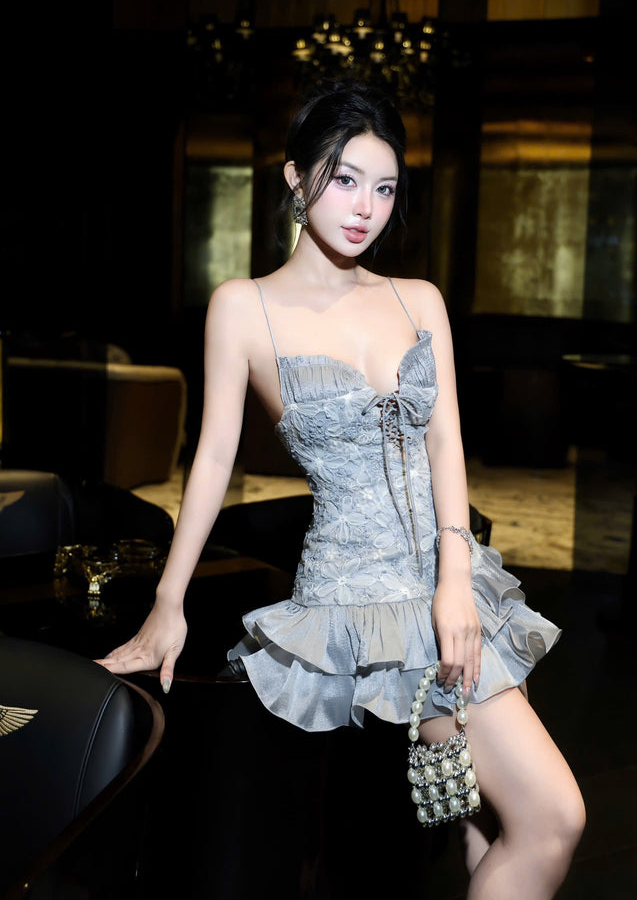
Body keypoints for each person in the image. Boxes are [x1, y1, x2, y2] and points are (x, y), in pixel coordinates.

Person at [98, 80, 584, 898]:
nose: (365, 207)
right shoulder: (243, 308)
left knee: (485, 828)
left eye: (384, 188)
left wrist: (455, 579)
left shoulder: (417, 299)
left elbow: (445, 443)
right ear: (295, 176)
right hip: (364, 604)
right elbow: (210, 460)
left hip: (460, 592)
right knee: (551, 818)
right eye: (345, 178)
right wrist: (167, 604)